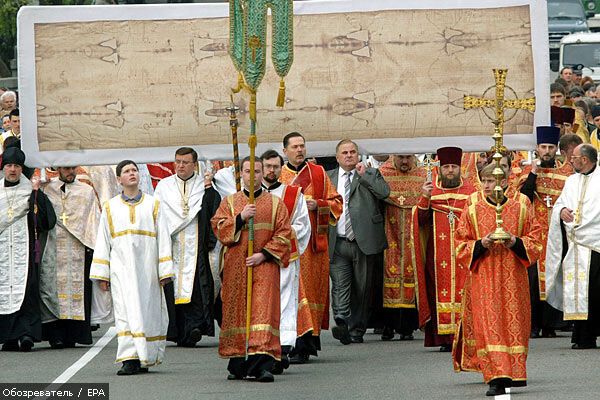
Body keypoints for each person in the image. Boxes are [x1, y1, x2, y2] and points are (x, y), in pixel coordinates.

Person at [453, 164, 542, 397]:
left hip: (514, 276)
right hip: (485, 276)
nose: (487, 186)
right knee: (489, 324)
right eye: (484, 181)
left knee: (514, 325)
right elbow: (460, 243)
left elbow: (536, 238)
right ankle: (496, 375)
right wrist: (481, 243)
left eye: (492, 181)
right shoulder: (472, 205)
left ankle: (514, 372)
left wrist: (515, 242)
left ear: (503, 181)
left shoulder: (521, 204)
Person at [211, 156, 292, 382]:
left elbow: (285, 234)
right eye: (248, 171)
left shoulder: (276, 203)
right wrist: (240, 218)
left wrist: (263, 254)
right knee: (238, 312)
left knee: (263, 312)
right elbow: (218, 227)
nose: (252, 176)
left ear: (262, 173)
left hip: (264, 265)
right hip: (237, 266)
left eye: (257, 171)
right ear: (241, 174)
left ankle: (262, 364)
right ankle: (239, 362)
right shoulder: (229, 202)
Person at [90, 160, 174, 375]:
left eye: (134, 170)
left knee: (148, 311)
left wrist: (164, 270)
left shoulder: (153, 204)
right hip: (121, 270)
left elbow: (163, 237)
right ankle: (129, 358)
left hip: (148, 270)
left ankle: (146, 355)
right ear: (119, 179)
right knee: (125, 311)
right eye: (126, 171)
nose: (132, 174)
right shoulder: (110, 207)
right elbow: (103, 240)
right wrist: (102, 274)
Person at [279, 132, 343, 363]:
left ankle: (307, 343)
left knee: (311, 292)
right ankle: (290, 341)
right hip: (289, 243)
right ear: (284, 150)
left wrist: (320, 204)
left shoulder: (318, 173)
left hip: (313, 247)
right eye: (295, 147)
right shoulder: (279, 175)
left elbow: (337, 202)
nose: (300, 150)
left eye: (302, 146)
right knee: (291, 292)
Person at [154, 147, 220, 347]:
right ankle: (177, 331)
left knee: (197, 288)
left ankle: (195, 327)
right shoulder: (164, 187)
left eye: (185, 162)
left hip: (195, 246)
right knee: (173, 287)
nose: (180, 166)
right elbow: (156, 216)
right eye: (177, 162)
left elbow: (213, 211)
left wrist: (209, 192)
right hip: (172, 245)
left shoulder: (203, 186)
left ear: (194, 164)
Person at [412, 146, 476, 352]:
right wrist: (424, 198)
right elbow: (419, 221)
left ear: (460, 168)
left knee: (466, 291)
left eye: (454, 167)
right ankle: (444, 339)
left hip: (463, 252)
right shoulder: (432, 191)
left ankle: (465, 335)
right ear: (440, 168)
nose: (450, 170)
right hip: (436, 255)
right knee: (437, 293)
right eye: (446, 166)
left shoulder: (472, 192)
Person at [326, 140, 389, 345]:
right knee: (340, 285)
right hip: (338, 241)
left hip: (363, 240)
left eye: (353, 152)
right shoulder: (328, 178)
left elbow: (384, 193)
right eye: (344, 152)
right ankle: (341, 321)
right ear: (337, 157)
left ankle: (357, 329)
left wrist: (366, 176)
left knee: (362, 288)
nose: (349, 155)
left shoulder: (369, 173)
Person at [515, 126, 573, 338]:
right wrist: (533, 173)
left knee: (555, 275)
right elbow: (523, 199)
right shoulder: (528, 172)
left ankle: (551, 324)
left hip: (557, 234)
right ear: (537, 149)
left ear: (556, 149)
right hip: (535, 233)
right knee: (532, 281)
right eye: (543, 147)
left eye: (550, 147)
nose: (546, 151)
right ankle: (533, 324)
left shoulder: (566, 173)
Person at [0, 147, 56, 352]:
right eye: (9, 166)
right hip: (3, 251)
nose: (12, 170)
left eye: (16, 166)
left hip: (26, 250)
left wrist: (35, 195)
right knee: (4, 289)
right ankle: (8, 336)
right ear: (4, 168)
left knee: (27, 290)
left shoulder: (30, 191)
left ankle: (26, 334)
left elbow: (46, 220)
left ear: (22, 168)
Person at [260, 149, 310, 374]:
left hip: (284, 259)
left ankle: (283, 347)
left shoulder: (293, 193)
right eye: (268, 166)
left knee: (286, 301)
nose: (272, 170)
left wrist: (278, 240)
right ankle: (262, 346)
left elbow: (302, 225)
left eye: (275, 166)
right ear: (261, 168)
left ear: (282, 168)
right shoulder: (251, 195)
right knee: (263, 303)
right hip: (260, 259)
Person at [40, 166, 101, 349]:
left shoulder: (86, 191)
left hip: (78, 247)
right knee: (51, 288)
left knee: (76, 290)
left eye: (72, 168)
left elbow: (93, 219)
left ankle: (75, 333)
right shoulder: (47, 189)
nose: (70, 172)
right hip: (52, 245)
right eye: (66, 169)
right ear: (58, 168)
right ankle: (55, 335)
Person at [546, 144, 600, 349]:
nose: (570, 160)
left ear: (585, 160)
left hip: (595, 245)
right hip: (575, 246)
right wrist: (560, 212)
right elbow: (560, 204)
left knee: (594, 293)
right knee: (577, 290)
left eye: (574, 157)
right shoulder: (571, 180)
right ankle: (581, 335)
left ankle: (591, 334)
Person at [378, 154, 426, 340]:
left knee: (412, 271)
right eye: (400, 158)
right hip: (390, 231)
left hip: (414, 232)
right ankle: (388, 324)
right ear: (393, 157)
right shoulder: (383, 174)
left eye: (408, 158)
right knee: (388, 273)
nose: (405, 162)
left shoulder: (423, 174)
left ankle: (408, 326)